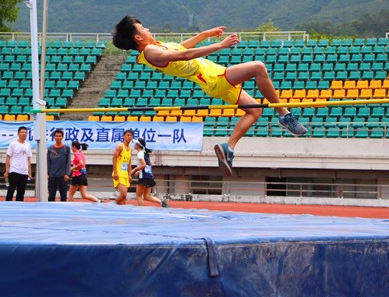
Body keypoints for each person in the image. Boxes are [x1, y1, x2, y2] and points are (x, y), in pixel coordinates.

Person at [112, 15, 308, 177]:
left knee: (255, 111)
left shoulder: (155, 47)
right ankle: (284, 114)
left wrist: (205, 34)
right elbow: (185, 55)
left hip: (214, 76)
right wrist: (220, 45)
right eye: (143, 28)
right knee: (258, 67)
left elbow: (181, 48)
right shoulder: (150, 52)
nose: (147, 30)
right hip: (213, 78)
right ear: (138, 37)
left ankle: (228, 148)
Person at [130, 137, 169, 208]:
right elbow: (149, 164)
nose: (134, 145)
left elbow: (144, 165)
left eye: (135, 143)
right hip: (150, 176)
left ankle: (141, 210)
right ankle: (161, 202)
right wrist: (139, 171)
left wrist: (135, 169)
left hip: (144, 177)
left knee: (139, 195)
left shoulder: (140, 153)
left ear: (138, 145)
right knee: (147, 196)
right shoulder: (145, 153)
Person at [4, 126, 32, 201]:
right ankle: (7, 205)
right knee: (11, 190)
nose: (24, 134)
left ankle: (19, 206)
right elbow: (8, 157)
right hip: (14, 170)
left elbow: (28, 159)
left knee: (21, 192)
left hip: (24, 172)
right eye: (22, 132)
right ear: (18, 134)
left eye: (25, 132)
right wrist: (7, 170)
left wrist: (29, 172)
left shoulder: (28, 145)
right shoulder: (13, 144)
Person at [47, 129, 71, 202]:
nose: (58, 138)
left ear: (62, 137)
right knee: (51, 195)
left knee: (63, 196)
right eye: (56, 136)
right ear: (54, 137)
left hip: (63, 176)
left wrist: (67, 173)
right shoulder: (50, 148)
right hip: (52, 175)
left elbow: (68, 161)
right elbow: (48, 162)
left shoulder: (66, 148)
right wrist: (47, 174)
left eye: (60, 136)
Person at [112, 129, 133, 205]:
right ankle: (111, 205)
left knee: (124, 198)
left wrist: (129, 175)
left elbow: (129, 162)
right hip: (119, 173)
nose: (129, 137)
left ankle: (121, 210)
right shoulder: (120, 146)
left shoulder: (130, 149)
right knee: (124, 194)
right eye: (128, 135)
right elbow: (114, 158)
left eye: (131, 135)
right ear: (123, 136)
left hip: (125, 174)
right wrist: (115, 172)